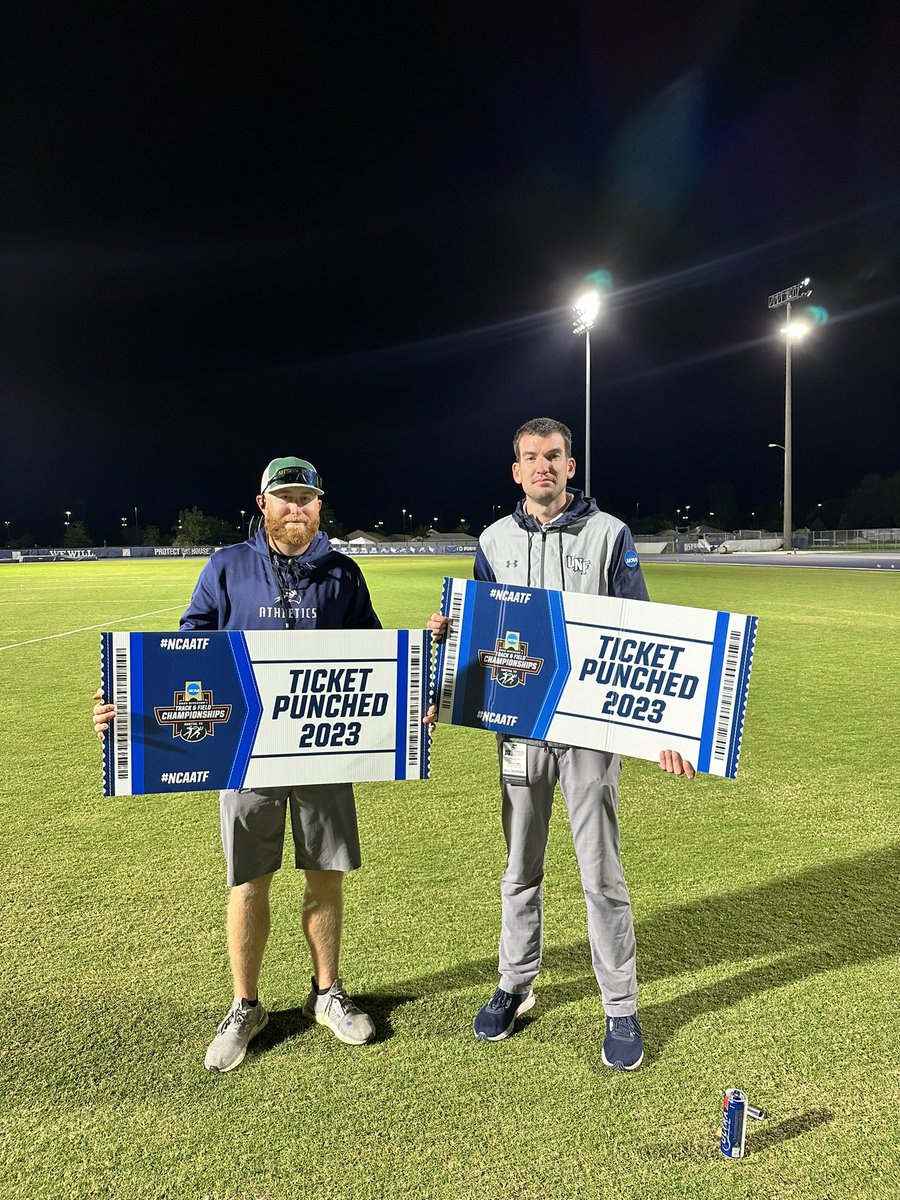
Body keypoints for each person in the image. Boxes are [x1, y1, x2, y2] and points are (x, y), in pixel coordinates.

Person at [93, 456, 381, 1073]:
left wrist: (413, 699)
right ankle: (246, 1005)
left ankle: (325, 994)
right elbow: (182, 652)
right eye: (285, 498)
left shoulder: (343, 574)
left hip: (326, 745)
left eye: (307, 499)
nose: (296, 508)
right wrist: (127, 704)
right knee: (248, 880)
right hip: (246, 751)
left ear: (319, 507)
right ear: (263, 504)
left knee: (325, 873)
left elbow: (377, 653)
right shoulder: (227, 567)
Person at [429, 418, 694, 1071]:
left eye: (553, 457)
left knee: (600, 873)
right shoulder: (492, 540)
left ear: (570, 466)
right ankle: (514, 987)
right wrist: (441, 662)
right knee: (520, 870)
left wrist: (665, 725)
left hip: (589, 734)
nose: (542, 467)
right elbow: (479, 632)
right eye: (530, 458)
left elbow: (642, 632)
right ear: (516, 471)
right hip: (520, 731)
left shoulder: (610, 535)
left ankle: (621, 1007)